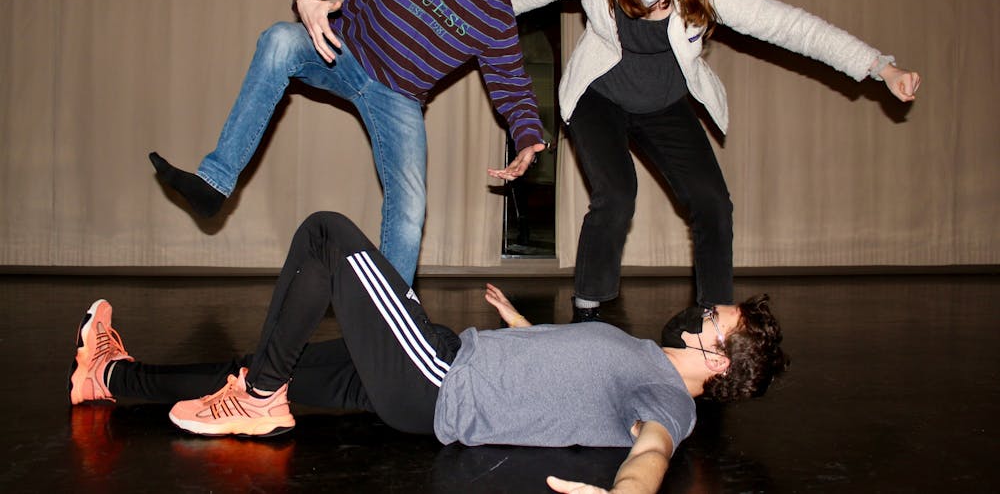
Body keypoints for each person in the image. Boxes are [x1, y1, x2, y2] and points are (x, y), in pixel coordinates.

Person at [68, 211, 787, 494]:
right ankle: (109, 373)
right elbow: (569, 368)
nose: (696, 309)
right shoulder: (643, 358)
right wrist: (516, 323)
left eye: (709, 316)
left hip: (442, 380)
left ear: (719, 361)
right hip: (448, 361)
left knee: (325, 235)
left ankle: (256, 399)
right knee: (265, 360)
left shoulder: (668, 402)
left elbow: (651, 453)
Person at [506, 0, 922, 321]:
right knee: (616, 195)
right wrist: (469, 20)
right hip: (599, 95)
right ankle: (588, 309)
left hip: (664, 103)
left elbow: (793, 27)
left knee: (713, 203)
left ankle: (715, 315)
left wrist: (879, 67)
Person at [150, 0, 551, 286]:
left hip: (399, 98)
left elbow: (512, 83)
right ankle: (214, 183)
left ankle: (391, 319)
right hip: (342, 52)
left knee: (411, 205)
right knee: (279, 40)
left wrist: (526, 137)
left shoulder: (495, 12)